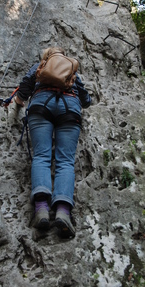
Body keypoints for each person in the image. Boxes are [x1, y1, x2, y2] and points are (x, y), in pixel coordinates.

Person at [15, 47, 91, 238]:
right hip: (69, 107)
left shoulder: (40, 66)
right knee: (65, 161)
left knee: (41, 156)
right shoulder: (70, 68)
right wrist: (87, 101)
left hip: (41, 104)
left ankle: (41, 209)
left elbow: (25, 86)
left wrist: (18, 101)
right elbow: (85, 98)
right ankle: (63, 213)